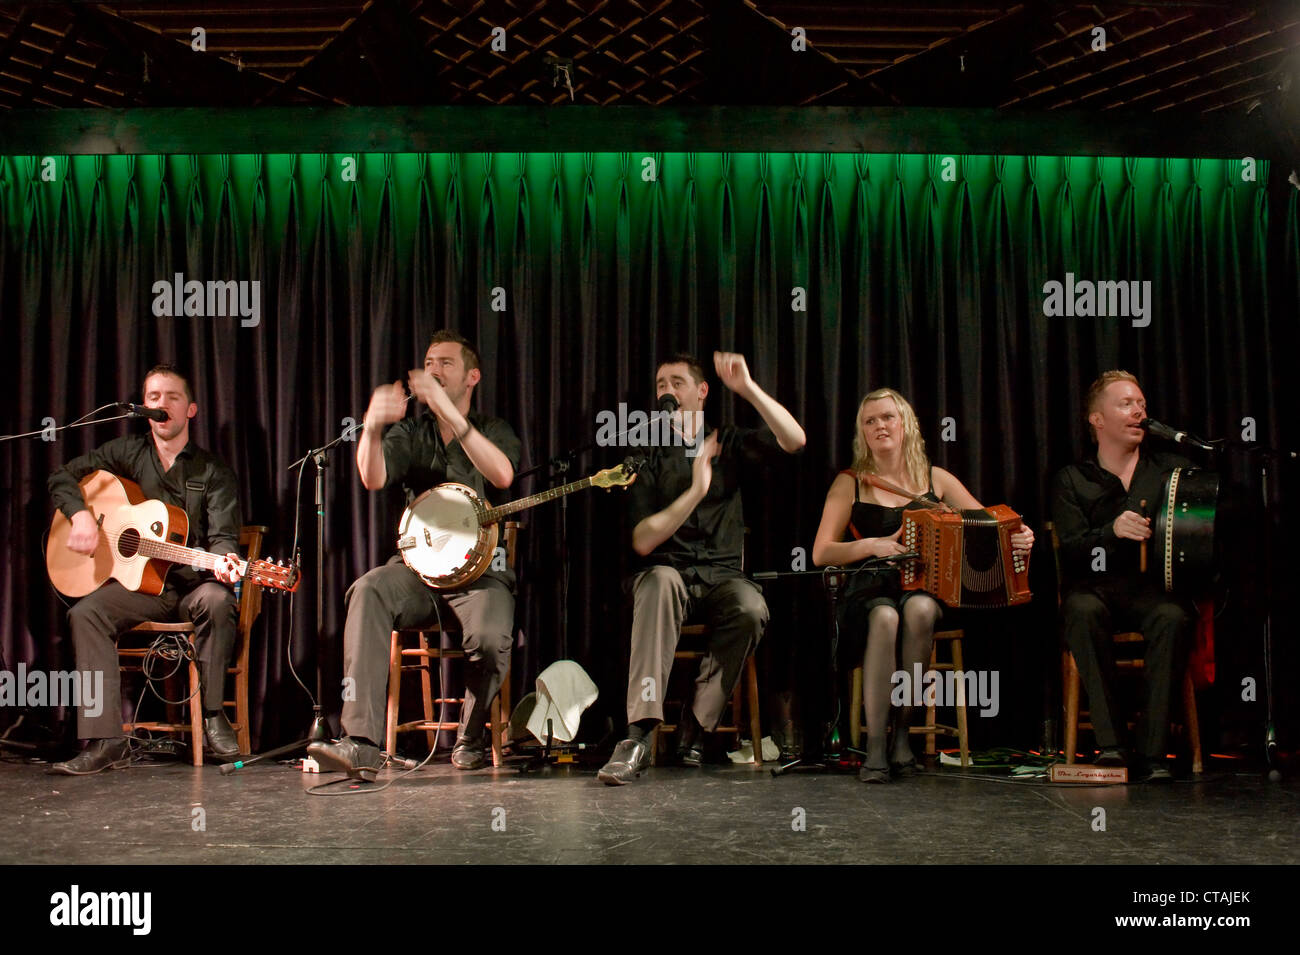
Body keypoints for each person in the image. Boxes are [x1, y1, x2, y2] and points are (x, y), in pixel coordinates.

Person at [309, 330, 521, 780]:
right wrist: (371, 425)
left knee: (487, 638)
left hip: (482, 574)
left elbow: (502, 474)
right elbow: (372, 477)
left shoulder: (493, 428)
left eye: (445, 363)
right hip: (418, 571)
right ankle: (360, 742)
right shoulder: (411, 432)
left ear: (472, 376)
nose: (433, 370)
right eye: (429, 363)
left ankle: (472, 733)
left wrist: (450, 415)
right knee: (368, 591)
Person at [597, 352, 806, 785]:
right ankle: (637, 736)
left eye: (677, 382)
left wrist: (747, 387)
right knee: (659, 583)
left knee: (750, 608)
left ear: (701, 391)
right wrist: (696, 491)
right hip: (666, 575)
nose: (666, 392)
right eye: (660, 385)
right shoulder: (645, 451)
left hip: (722, 578)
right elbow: (642, 540)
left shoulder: (726, 441)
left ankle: (696, 723)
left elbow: (795, 440)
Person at [812, 388, 1033, 783]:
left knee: (920, 609)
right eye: (870, 420)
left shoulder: (937, 479)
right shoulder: (851, 483)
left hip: (922, 590)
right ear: (861, 432)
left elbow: (989, 526)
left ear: (906, 425)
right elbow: (821, 552)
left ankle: (903, 734)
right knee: (884, 617)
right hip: (869, 591)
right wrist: (874, 545)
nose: (880, 426)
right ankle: (876, 745)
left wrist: (1019, 537)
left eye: (887, 417)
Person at [47, 364, 245, 774]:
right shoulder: (126, 453)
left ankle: (212, 717)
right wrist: (81, 516)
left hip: (191, 587)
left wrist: (224, 563)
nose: (160, 404)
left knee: (218, 599)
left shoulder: (212, 470)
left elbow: (224, 538)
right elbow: (62, 476)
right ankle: (106, 740)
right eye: (153, 397)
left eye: (171, 397)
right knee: (86, 613)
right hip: (141, 589)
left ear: (190, 409)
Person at [1051, 370, 1194, 781]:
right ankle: (1111, 746)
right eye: (1126, 404)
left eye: (1142, 405)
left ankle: (1152, 754)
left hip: (1152, 590)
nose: (1139, 412)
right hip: (1095, 589)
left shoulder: (1171, 472)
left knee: (1174, 616)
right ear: (1097, 420)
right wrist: (1111, 532)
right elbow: (1073, 550)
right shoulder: (1072, 479)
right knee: (1080, 610)